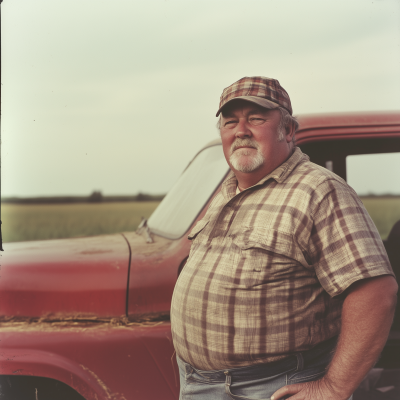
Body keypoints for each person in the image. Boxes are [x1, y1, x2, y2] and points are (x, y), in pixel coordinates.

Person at [170, 76, 397, 400]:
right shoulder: (231, 189)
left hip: (272, 386)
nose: (241, 130)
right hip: (200, 382)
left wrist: (333, 388)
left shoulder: (318, 191)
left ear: (288, 130)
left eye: (256, 118)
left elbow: (376, 292)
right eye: (230, 121)